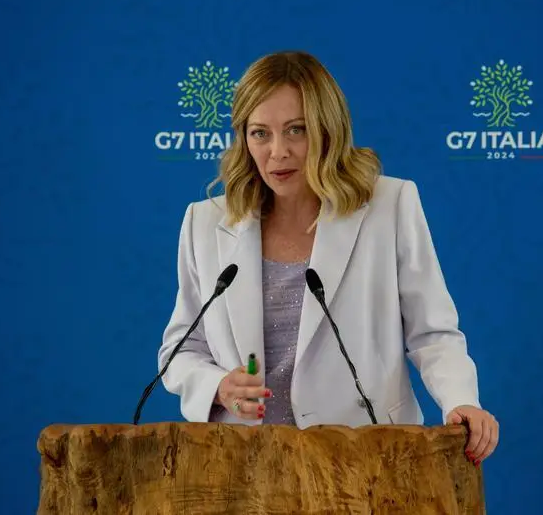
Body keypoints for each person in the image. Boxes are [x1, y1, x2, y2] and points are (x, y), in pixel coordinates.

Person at [158, 51, 499, 464]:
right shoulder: (205, 222)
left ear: (328, 130)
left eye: (295, 130)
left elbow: (433, 334)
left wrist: (460, 400)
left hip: (365, 461)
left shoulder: (389, 206)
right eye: (260, 133)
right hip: (243, 468)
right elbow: (180, 349)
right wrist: (217, 386)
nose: (277, 152)